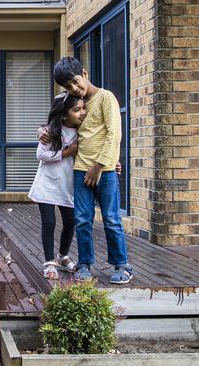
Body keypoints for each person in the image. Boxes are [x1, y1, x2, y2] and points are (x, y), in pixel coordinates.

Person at [40, 56, 134, 284]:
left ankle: (122, 265)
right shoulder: (72, 101)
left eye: (75, 81)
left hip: (105, 171)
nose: (74, 88)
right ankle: (85, 264)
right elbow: (55, 117)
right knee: (82, 219)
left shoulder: (105, 98)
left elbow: (114, 135)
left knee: (111, 218)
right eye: (68, 86)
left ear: (84, 73)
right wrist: (40, 130)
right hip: (81, 170)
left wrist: (100, 165)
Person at [28, 92, 85, 280]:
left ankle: (63, 256)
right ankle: (49, 262)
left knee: (70, 221)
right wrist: (68, 151)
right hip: (47, 183)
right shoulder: (51, 131)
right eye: (77, 109)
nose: (82, 112)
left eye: (83, 108)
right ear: (63, 114)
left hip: (67, 183)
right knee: (50, 222)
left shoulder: (83, 130)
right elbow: (41, 155)